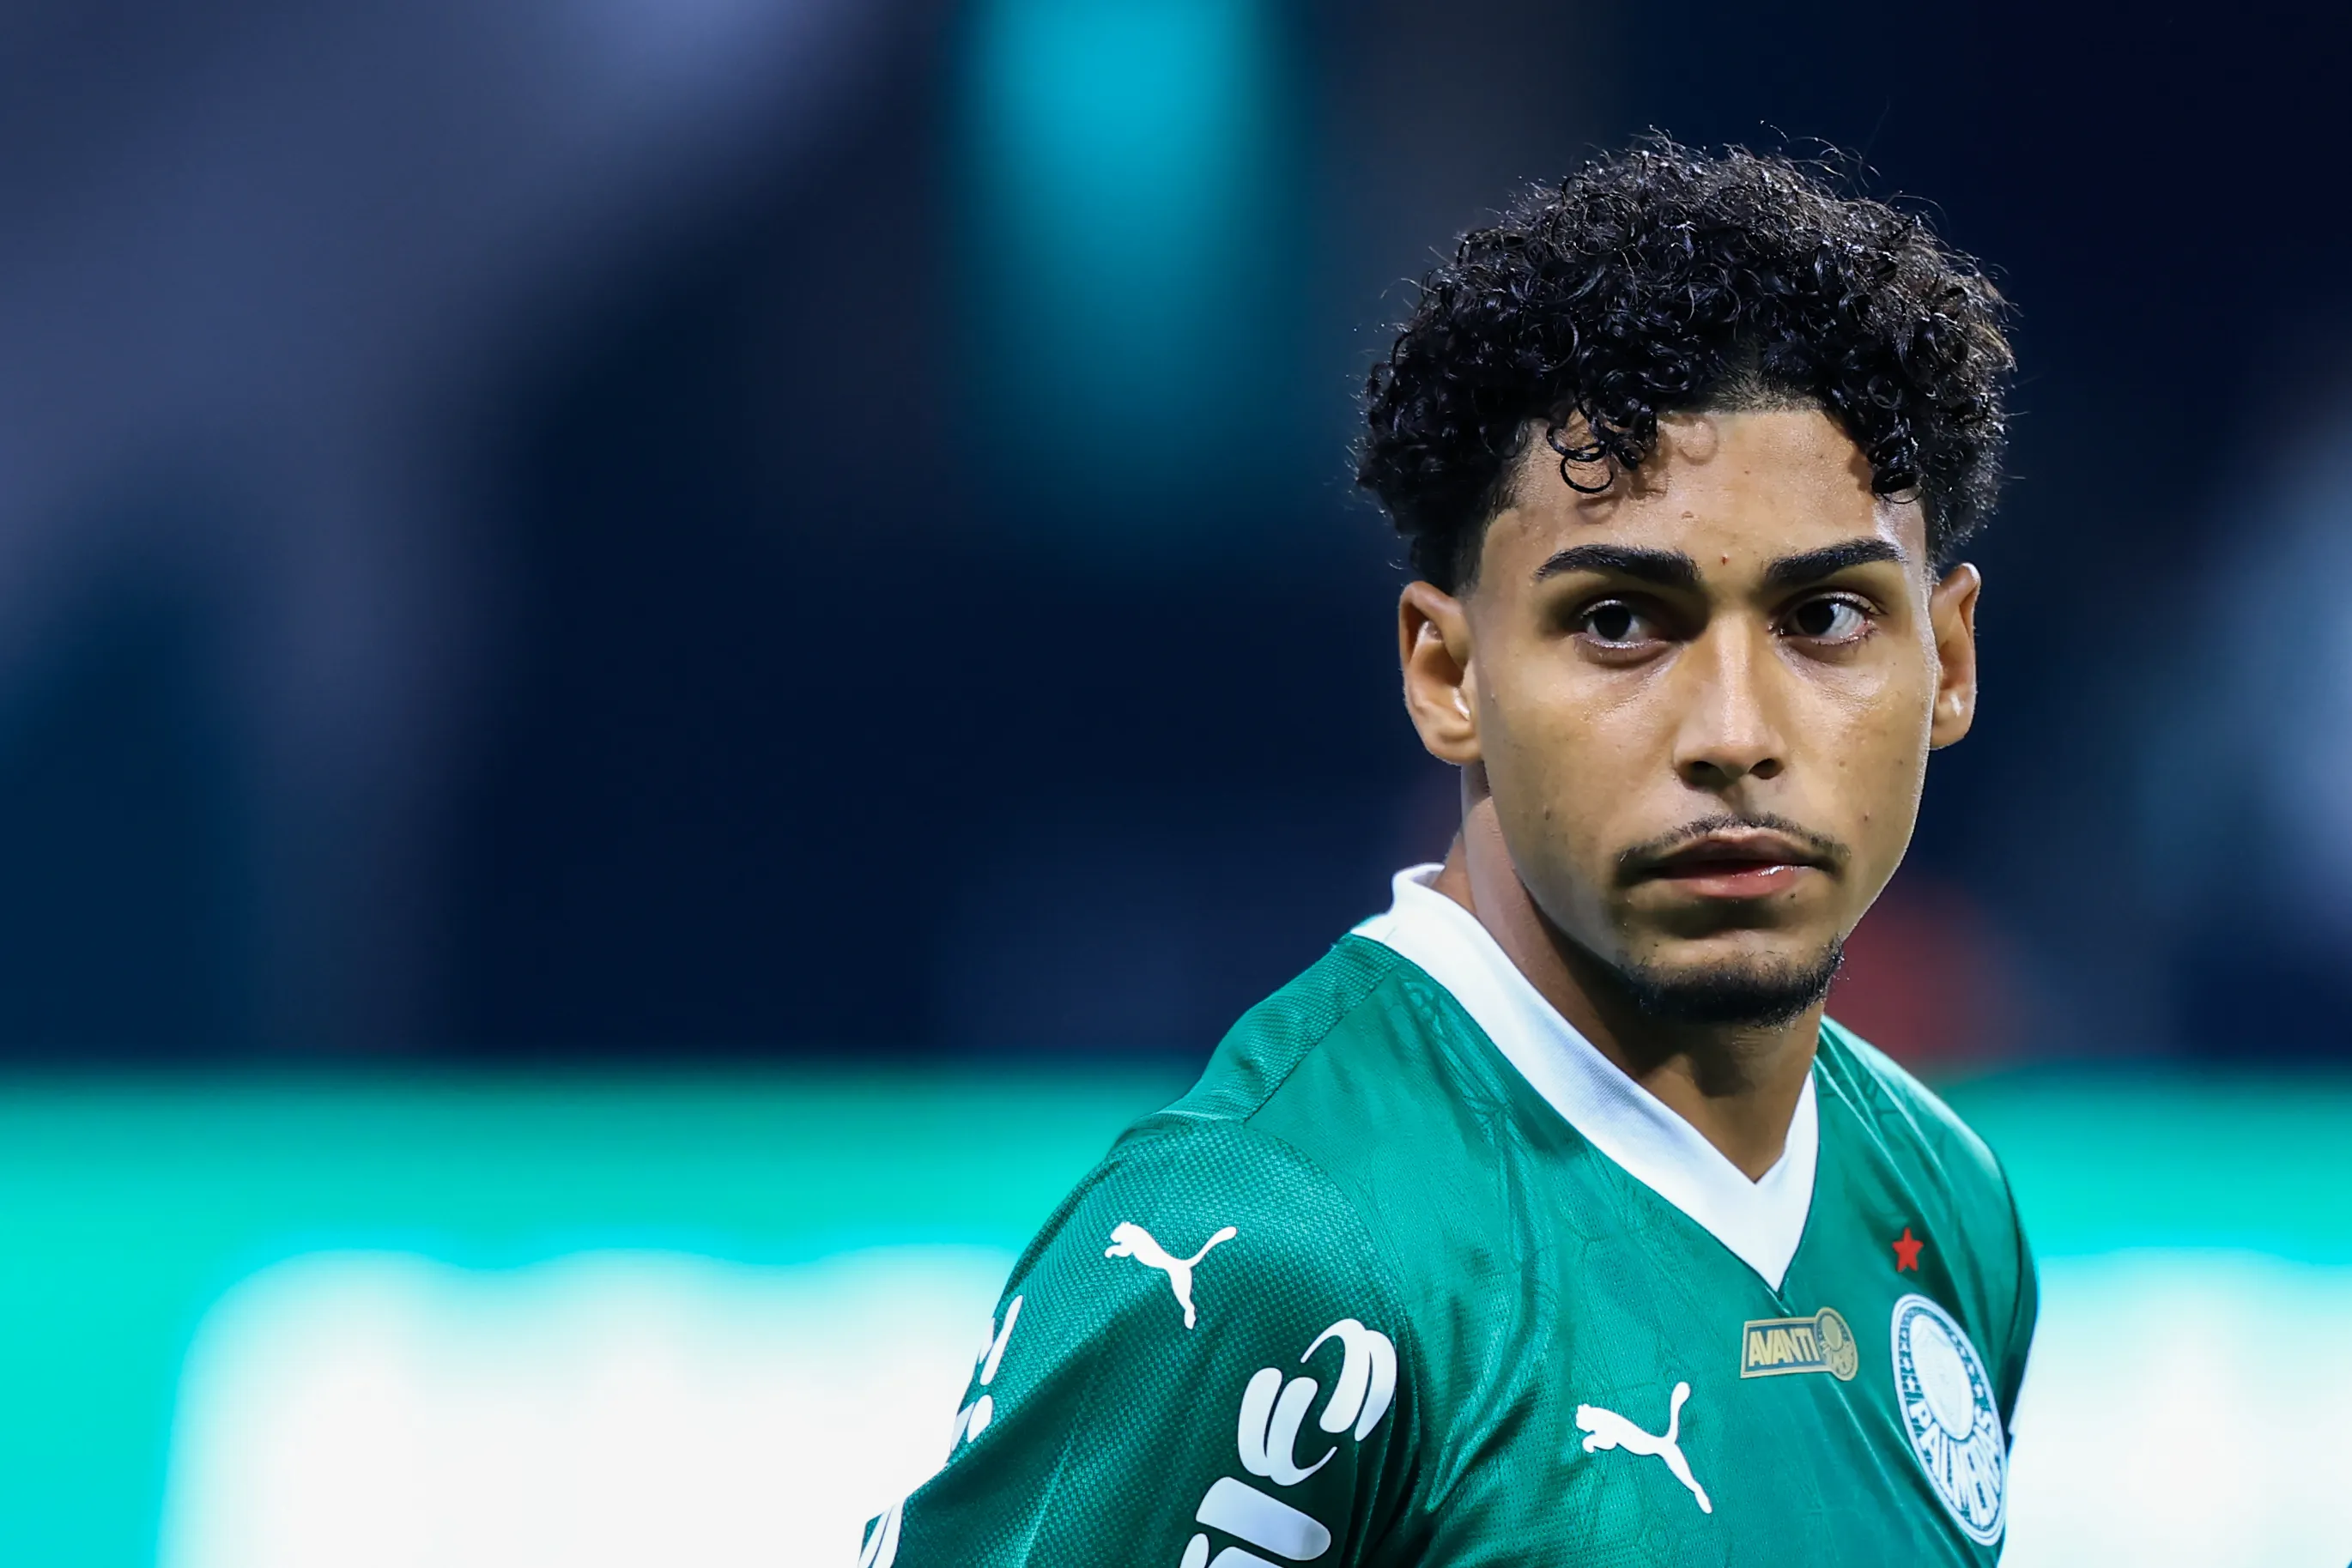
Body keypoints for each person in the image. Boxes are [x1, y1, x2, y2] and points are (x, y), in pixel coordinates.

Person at [862, 138, 2034, 1566]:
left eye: (1827, 619)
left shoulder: (1941, 1203)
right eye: (1619, 621)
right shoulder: (1270, 1252)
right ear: (1445, 671)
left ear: (1952, 659)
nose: (1736, 731)